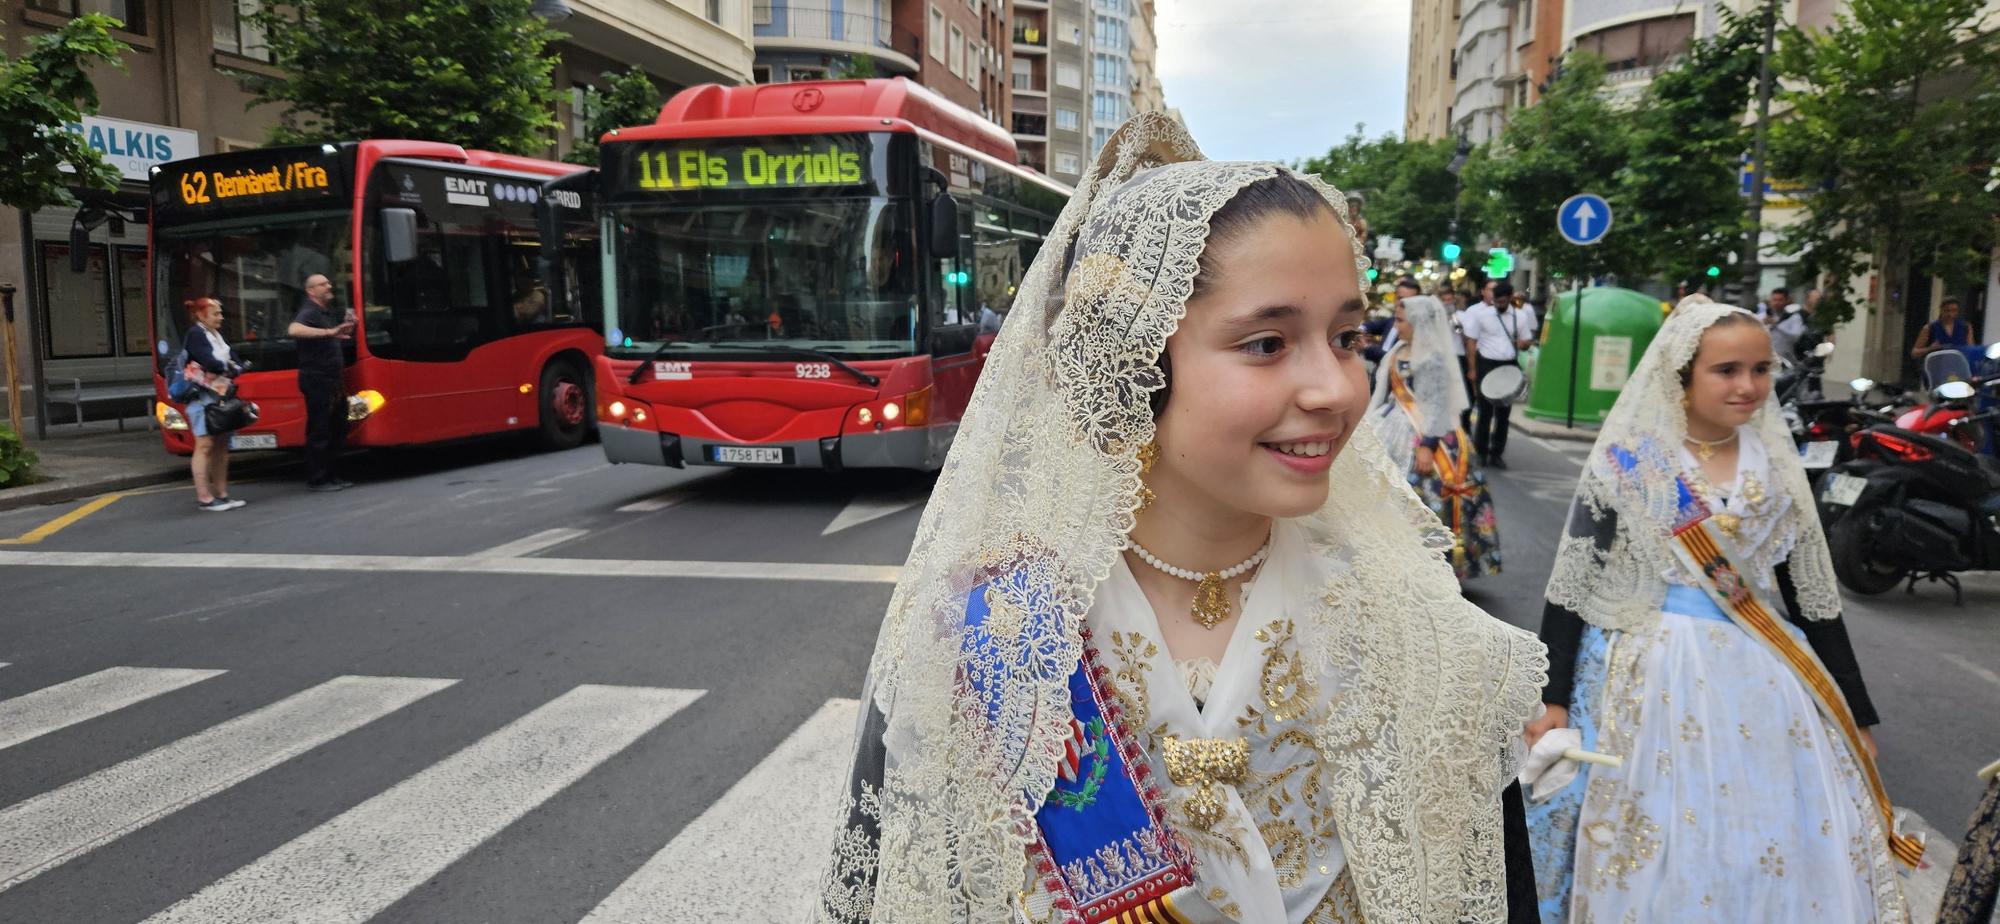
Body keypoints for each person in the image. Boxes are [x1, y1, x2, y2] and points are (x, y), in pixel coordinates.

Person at [818, 112, 1547, 924]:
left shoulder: (1432, 647)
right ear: (1130, 361)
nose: (1340, 389)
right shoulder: (981, 639)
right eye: (1268, 343)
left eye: (1348, 336)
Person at [1524, 300, 1916, 924]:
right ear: (1682, 375)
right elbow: (1573, 586)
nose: (1748, 386)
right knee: (1655, 831)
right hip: (1648, 679)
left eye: (1761, 369)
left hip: (1766, 683)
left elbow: (1815, 603)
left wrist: (1856, 715)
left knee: (1765, 835)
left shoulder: (1781, 473)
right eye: (1726, 370)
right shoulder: (1631, 462)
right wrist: (1553, 699)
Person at [1367, 295, 1501, 580]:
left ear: (1418, 323)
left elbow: (1439, 405)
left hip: (1428, 436)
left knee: (1426, 497)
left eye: (1401, 321)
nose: (1396, 325)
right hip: (1392, 427)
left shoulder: (1433, 359)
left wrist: (1427, 446)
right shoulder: (1399, 350)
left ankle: (1432, 566)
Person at [287, 273, 355, 492]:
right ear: (311, 291)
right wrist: (329, 331)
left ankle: (331, 475)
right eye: (323, 284)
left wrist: (345, 328)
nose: (329, 286)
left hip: (332, 380)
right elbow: (293, 329)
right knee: (321, 428)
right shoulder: (309, 311)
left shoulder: (325, 312)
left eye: (329, 282)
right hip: (317, 379)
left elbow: (333, 336)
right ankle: (318, 479)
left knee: (337, 427)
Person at [181, 297, 246, 512]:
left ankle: (222, 494)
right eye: (216, 314)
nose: (221, 318)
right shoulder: (196, 334)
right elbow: (211, 363)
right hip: (201, 397)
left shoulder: (215, 335)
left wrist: (228, 367)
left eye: (220, 313)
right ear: (201, 315)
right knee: (205, 444)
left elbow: (233, 360)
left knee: (221, 445)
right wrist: (230, 367)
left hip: (219, 394)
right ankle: (206, 498)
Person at [1462, 280, 1536, 469]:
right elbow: (1471, 342)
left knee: (1504, 413)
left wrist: (1523, 344)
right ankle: (1481, 452)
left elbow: (1527, 340)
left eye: (1503, 302)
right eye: (1497, 302)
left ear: (1510, 298)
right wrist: (1472, 369)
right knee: (1485, 412)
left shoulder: (1520, 316)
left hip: (1509, 365)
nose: (1499, 305)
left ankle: (1497, 453)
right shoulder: (1483, 315)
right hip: (1486, 363)